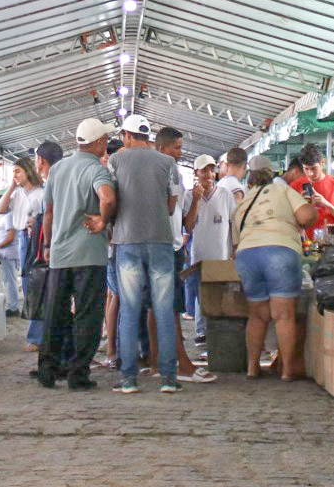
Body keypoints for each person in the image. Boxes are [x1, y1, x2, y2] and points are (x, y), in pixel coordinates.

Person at [34, 119, 117, 390]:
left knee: (55, 313)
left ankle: (47, 369)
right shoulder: (97, 170)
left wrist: (48, 245)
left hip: (60, 253)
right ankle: (78, 374)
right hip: (90, 254)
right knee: (87, 315)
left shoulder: (57, 169)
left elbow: (48, 212)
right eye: (105, 139)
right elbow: (107, 198)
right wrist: (103, 220)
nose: (106, 144)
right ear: (98, 142)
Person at [104, 115, 183, 394]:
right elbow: (172, 206)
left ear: (126, 135)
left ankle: (128, 379)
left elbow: (109, 199)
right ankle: (168, 378)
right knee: (163, 310)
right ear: (148, 136)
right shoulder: (168, 163)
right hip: (160, 240)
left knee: (129, 309)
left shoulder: (114, 161)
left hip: (126, 241)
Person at [230, 157, 315, 381]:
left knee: (257, 315)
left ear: (250, 181)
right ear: (271, 175)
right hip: (280, 251)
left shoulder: (242, 204)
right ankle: (286, 370)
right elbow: (306, 216)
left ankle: (252, 367)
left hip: (248, 256)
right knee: (283, 315)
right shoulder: (281, 190)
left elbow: (236, 244)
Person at [153, 127, 214, 384]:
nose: (180, 152)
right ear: (162, 148)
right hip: (166, 246)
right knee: (170, 307)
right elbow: (170, 210)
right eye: (176, 148)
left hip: (172, 244)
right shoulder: (165, 173)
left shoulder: (173, 174)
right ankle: (178, 362)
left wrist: (195, 200)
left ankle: (157, 359)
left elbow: (183, 221)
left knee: (159, 306)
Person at [0, 157, 42, 315]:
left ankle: (36, 314)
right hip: (23, 238)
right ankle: (31, 312)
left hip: (37, 235)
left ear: (28, 171)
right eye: (13, 172)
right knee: (25, 276)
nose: (15, 175)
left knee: (37, 275)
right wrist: (11, 186)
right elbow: (0, 209)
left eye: (18, 171)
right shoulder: (18, 194)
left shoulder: (41, 192)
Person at [24, 142, 61, 349]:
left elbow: (49, 214)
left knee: (44, 288)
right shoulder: (59, 180)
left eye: (36, 158)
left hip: (52, 247)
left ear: (41, 161)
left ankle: (41, 338)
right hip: (57, 244)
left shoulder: (51, 183)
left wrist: (46, 245)